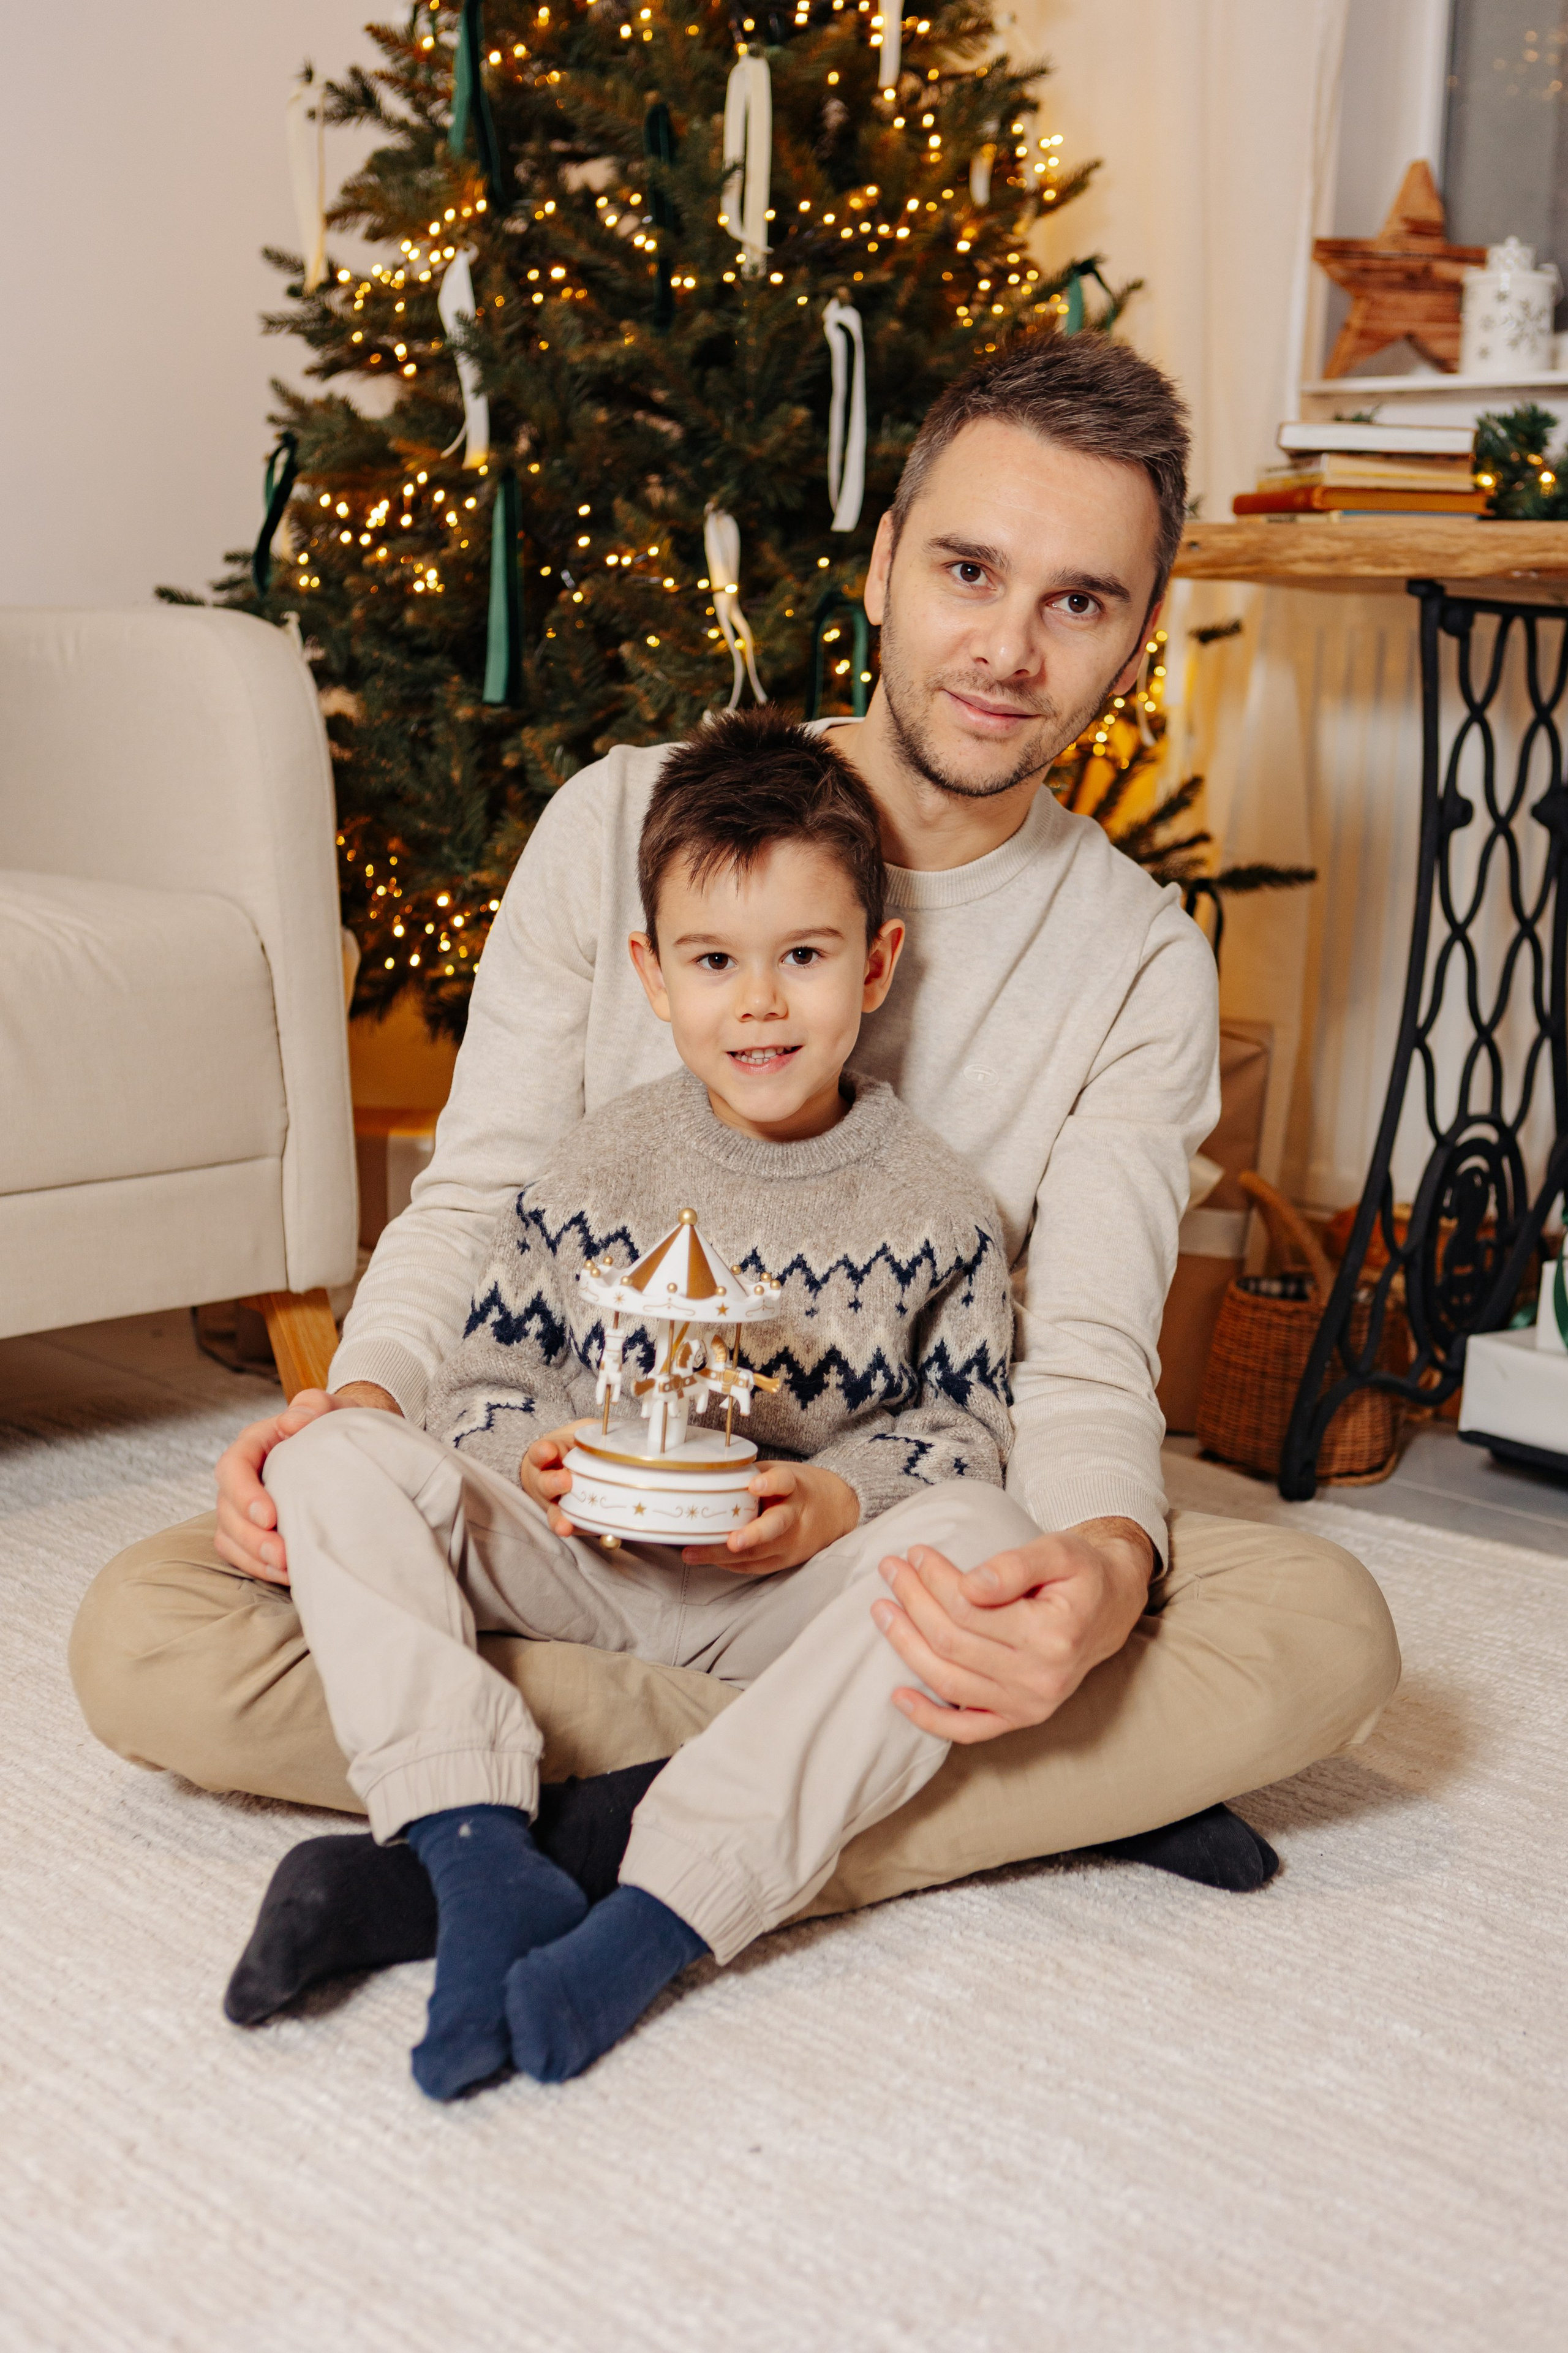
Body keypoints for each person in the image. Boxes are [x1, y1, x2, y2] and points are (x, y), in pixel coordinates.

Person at [69, 330, 1400, 1965]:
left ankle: (533, 1826)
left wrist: (1104, 1580)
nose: (1007, 648)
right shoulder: (624, 825)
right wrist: (352, 1416)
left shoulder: (1137, 961)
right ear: (886, 561)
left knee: (1320, 1632)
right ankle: (910, 1790)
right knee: (150, 1629)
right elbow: (478, 1193)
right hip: (571, 1524)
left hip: (871, 1554)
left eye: (1081, 602)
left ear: (1137, 634)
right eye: (971, 570)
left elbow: (1082, 1357)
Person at [260, 717, 1023, 2096]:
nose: (761, 1005)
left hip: (772, 1601)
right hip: (580, 1562)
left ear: (877, 964)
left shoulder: (937, 1205)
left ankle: (656, 1918)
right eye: (714, 962)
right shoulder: (595, 1162)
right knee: (338, 1456)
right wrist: (532, 1456)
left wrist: (838, 1500)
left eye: (804, 956)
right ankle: (478, 1856)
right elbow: (485, 1383)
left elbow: (961, 1428)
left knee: (977, 1545)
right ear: (651, 978)